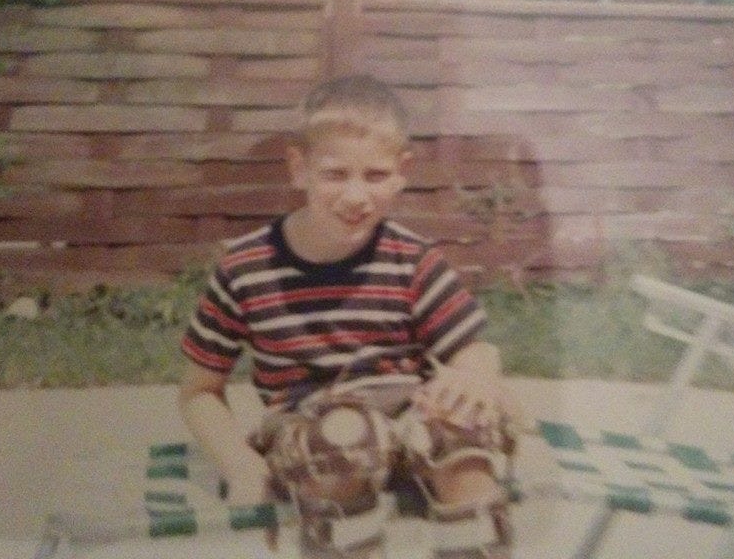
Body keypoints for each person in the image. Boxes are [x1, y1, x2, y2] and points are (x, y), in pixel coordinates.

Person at [178, 75, 515, 558]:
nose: (356, 197)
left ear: (401, 172)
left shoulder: (411, 260)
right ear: (299, 169)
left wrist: (474, 376)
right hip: (313, 431)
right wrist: (240, 466)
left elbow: (473, 349)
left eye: (375, 176)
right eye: (336, 175)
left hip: (406, 420)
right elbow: (199, 392)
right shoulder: (246, 269)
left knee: (460, 427)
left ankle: (474, 547)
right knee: (342, 440)